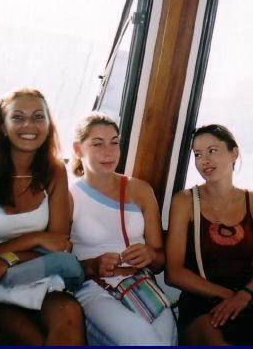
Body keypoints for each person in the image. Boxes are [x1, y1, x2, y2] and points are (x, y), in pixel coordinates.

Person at [0, 88, 85, 345]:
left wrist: (8, 259)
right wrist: (35, 238)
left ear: (48, 125)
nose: (29, 125)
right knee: (29, 337)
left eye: (38, 116)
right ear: (2, 127)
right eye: (18, 117)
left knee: (69, 314)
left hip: (40, 276)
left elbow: (58, 246)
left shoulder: (55, 171)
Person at [165, 124, 253, 345]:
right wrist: (234, 297)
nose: (204, 160)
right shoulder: (184, 201)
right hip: (201, 303)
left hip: (245, 299)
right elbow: (173, 273)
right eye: (198, 154)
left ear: (234, 153)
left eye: (212, 151)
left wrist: (245, 297)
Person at [69, 112, 176, 345]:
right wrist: (92, 265)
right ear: (78, 149)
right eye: (98, 144)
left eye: (114, 142)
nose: (108, 152)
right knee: (145, 342)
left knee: (166, 342)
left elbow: (159, 261)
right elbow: (58, 265)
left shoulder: (141, 190)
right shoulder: (68, 196)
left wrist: (150, 254)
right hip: (93, 288)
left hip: (140, 284)